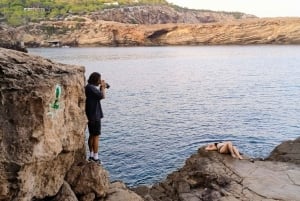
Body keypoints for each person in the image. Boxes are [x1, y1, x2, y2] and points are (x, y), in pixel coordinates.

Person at [85, 72, 107, 163]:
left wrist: (101, 87)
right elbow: (102, 96)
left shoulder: (89, 87)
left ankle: (91, 155)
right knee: (96, 136)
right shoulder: (91, 87)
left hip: (90, 115)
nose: (99, 81)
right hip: (95, 115)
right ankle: (96, 158)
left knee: (91, 135)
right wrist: (103, 88)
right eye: (99, 79)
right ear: (96, 79)